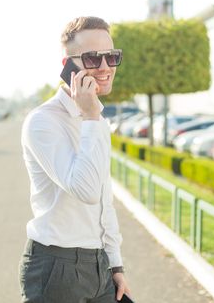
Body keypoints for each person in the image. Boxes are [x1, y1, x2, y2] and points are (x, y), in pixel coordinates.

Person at [19, 16, 131, 302]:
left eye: (111, 57)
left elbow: (105, 198)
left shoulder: (97, 120)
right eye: (93, 58)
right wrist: (91, 115)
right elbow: (87, 191)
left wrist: (114, 263)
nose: (105, 67)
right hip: (56, 269)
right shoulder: (43, 122)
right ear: (68, 66)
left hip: (99, 268)